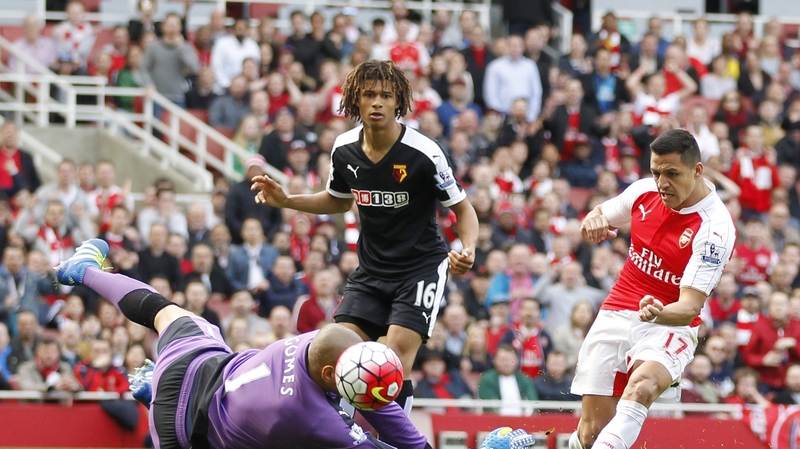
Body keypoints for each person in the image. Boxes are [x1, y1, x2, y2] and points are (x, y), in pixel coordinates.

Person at [251, 60, 478, 414]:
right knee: (337, 350)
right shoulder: (343, 149)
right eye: (369, 95)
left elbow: (463, 209)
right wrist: (287, 200)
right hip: (371, 272)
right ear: (354, 100)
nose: (377, 102)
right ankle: (342, 430)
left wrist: (469, 248)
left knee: (393, 355)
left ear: (398, 102)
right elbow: (338, 201)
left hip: (420, 268)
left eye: (386, 96)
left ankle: (397, 437)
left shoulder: (425, 153)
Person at [55, 238, 433, 449]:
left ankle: (84, 269)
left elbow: (371, 395)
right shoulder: (312, 419)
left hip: (199, 362)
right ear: (333, 371)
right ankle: (156, 395)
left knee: (167, 314)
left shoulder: (313, 344)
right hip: (183, 429)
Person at [569, 129, 736, 449]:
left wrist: (658, 313)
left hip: (669, 321)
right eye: (656, 172)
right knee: (591, 433)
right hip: (616, 311)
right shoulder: (644, 192)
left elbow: (689, 307)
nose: (661, 183)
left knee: (642, 388)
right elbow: (605, 211)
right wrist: (593, 216)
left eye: (672, 174)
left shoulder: (715, 228)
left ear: (697, 170)